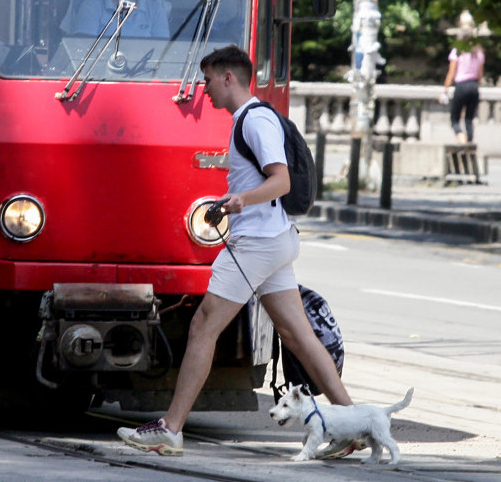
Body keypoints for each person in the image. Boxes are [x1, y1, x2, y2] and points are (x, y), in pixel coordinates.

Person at [117, 45, 358, 458]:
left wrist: (240, 200)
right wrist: (240, 198)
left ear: (229, 78)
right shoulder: (249, 120)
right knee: (299, 336)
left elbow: (279, 182)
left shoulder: (255, 120)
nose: (203, 88)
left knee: (203, 327)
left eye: (208, 78)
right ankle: (350, 425)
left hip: (257, 243)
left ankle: (171, 428)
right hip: (273, 240)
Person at [441, 11, 485, 144]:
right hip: (474, 86)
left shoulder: (457, 51)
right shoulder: (479, 52)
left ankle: (463, 142)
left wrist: (445, 89)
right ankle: (470, 143)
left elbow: (451, 73)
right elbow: (480, 75)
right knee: (469, 119)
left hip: (461, 86)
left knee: (454, 119)